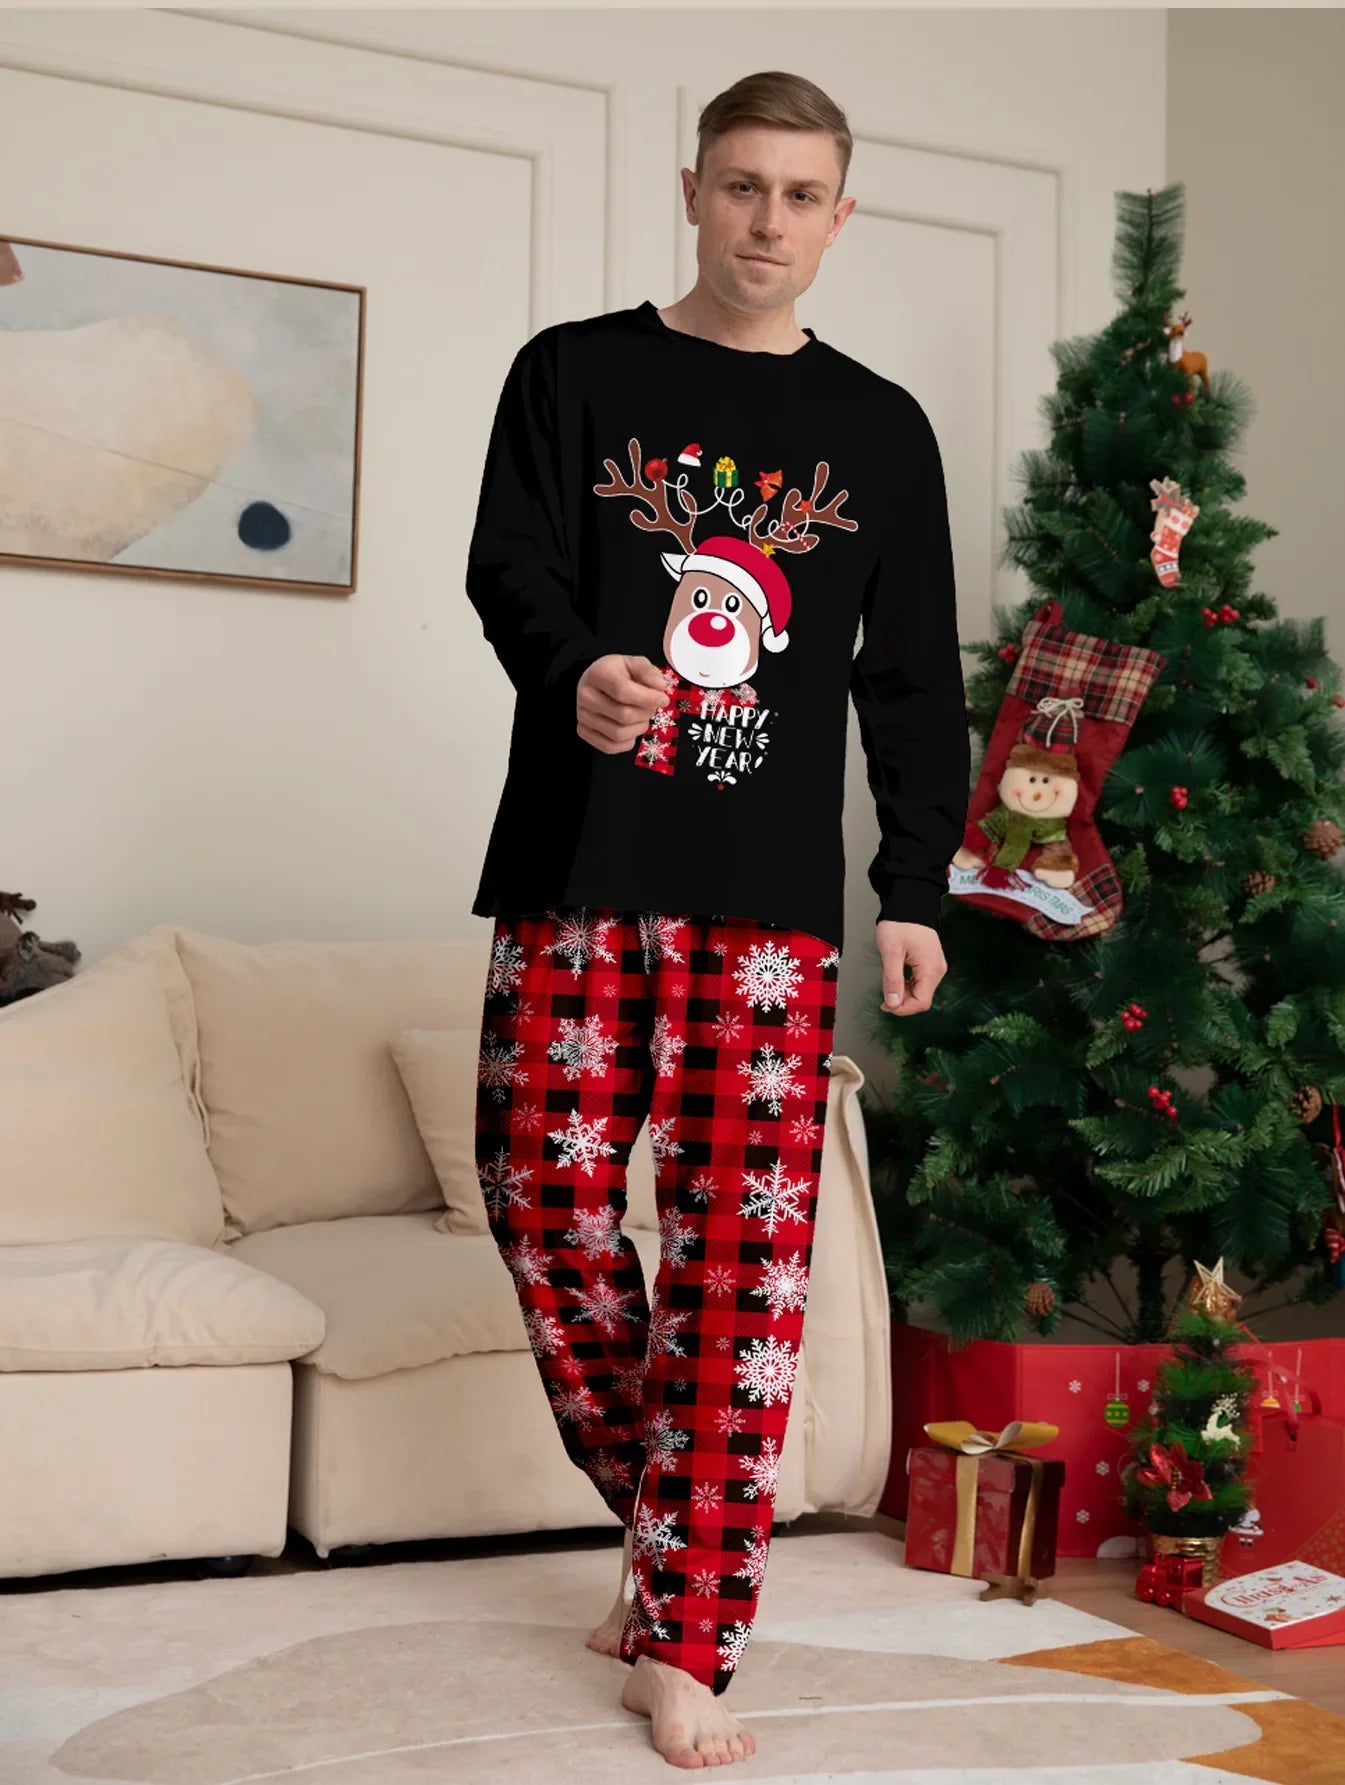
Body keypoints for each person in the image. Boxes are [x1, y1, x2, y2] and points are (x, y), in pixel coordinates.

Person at [464, 68, 969, 1771]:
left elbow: (911, 681)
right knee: (540, 1201)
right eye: (741, 184)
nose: (767, 219)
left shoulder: (879, 429)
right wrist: (575, 672)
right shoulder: (572, 372)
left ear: (840, 215)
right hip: (573, 871)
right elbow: (509, 566)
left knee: (739, 1273)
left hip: (768, 910)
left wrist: (912, 886)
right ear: (691, 191)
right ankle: (672, 1536)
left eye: (799, 193)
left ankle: (686, 1638)